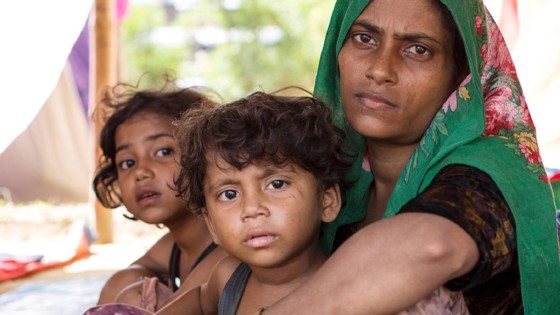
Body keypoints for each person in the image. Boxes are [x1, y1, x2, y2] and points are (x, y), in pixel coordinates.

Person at [261, 0, 560, 314]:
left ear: (461, 76)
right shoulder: (325, 174)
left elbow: (436, 246)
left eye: (418, 49)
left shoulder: (491, 177)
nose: (380, 70)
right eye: (364, 38)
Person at [152, 90, 352, 315]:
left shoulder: (343, 292)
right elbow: (199, 299)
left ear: (327, 201)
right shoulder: (228, 276)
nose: (252, 209)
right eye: (229, 194)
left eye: (276, 184)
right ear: (211, 224)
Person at [88, 82, 227, 312]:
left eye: (163, 151)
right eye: (128, 162)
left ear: (204, 156)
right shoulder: (173, 246)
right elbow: (126, 279)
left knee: (133, 295)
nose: (140, 172)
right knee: (123, 284)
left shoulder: (226, 247)